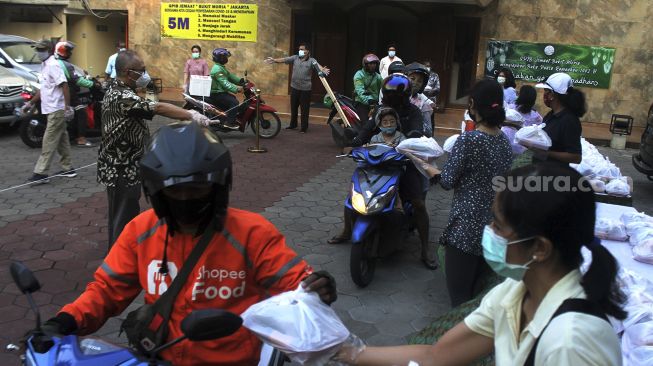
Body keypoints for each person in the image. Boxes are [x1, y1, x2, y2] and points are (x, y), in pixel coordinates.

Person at [38, 121, 338, 365]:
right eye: (174, 193)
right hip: (159, 353)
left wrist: (314, 289)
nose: (186, 200)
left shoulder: (252, 232)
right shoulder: (140, 232)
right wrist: (65, 321)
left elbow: (295, 283)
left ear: (219, 187)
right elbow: (106, 291)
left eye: (197, 190)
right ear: (154, 193)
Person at [335, 163, 626, 366]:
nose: (489, 231)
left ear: (539, 248)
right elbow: (437, 356)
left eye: (498, 226)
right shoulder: (514, 293)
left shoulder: (573, 343)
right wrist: (346, 352)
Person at [98, 50, 213, 249]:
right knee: (123, 217)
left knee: (121, 213)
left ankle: (118, 253)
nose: (145, 74)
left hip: (127, 163)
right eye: (141, 71)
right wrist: (190, 114)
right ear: (127, 71)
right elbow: (157, 107)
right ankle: (118, 263)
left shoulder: (119, 88)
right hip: (121, 167)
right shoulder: (121, 95)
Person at [333, 74, 437, 269]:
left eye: (395, 96)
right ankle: (347, 230)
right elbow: (367, 129)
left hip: (404, 163)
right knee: (353, 194)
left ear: (405, 95)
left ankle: (425, 249)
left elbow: (417, 130)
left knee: (418, 203)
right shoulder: (381, 111)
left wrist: (413, 138)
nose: (392, 99)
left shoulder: (413, 111)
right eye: (389, 95)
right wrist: (353, 143)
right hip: (378, 163)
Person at [438, 79, 513, 306]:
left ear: (472, 104)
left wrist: (430, 168)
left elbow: (447, 181)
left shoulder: (468, 140)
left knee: (459, 299)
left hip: (465, 229)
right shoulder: (504, 141)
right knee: (477, 297)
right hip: (493, 228)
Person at [25, 39, 77, 184]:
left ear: (49, 50)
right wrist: (30, 103)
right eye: (37, 49)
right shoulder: (45, 65)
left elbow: (64, 85)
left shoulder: (53, 65)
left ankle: (41, 173)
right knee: (62, 140)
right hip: (52, 109)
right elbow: (44, 89)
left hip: (57, 109)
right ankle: (68, 169)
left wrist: (67, 107)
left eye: (41, 50)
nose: (38, 52)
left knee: (48, 141)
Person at [264, 43, 330, 133]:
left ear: (307, 51)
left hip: (305, 89)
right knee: (294, 107)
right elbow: (284, 59)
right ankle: (293, 124)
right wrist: (274, 60)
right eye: (299, 49)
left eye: (302, 49)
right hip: (294, 87)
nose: (300, 51)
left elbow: (319, 67)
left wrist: (323, 70)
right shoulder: (295, 58)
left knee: (304, 109)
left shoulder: (312, 60)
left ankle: (304, 128)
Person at [532, 72, 585, 165]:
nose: (544, 94)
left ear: (552, 95)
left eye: (546, 91)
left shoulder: (569, 121)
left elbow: (576, 157)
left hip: (555, 175)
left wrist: (547, 153)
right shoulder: (551, 114)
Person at [53, 41, 96, 148]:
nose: (70, 53)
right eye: (68, 51)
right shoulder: (66, 65)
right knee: (81, 112)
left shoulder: (54, 62)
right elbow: (76, 80)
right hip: (68, 93)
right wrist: (92, 84)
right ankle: (81, 138)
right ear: (63, 51)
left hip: (57, 94)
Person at [209, 47, 242, 129]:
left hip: (221, 92)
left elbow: (230, 77)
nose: (226, 59)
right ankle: (229, 123)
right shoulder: (217, 69)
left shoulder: (221, 67)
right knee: (234, 103)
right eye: (225, 57)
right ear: (220, 58)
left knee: (232, 98)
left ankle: (225, 117)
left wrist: (242, 81)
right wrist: (236, 89)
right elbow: (224, 82)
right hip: (217, 93)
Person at [405, 62, 435, 137]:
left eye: (419, 81)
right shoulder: (394, 97)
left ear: (423, 85)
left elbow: (429, 131)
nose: (415, 83)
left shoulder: (423, 104)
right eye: (412, 79)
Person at [353, 53, 382, 122]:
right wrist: (369, 100)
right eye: (371, 64)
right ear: (365, 65)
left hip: (375, 104)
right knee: (365, 123)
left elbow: (384, 86)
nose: (373, 65)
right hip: (362, 103)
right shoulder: (359, 75)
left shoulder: (377, 76)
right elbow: (360, 91)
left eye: (375, 63)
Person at [422, 60, 440, 133]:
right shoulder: (421, 74)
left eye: (428, 66)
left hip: (431, 98)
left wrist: (430, 91)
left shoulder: (435, 75)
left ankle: (431, 135)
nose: (427, 67)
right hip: (421, 99)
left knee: (431, 118)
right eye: (426, 66)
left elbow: (438, 88)